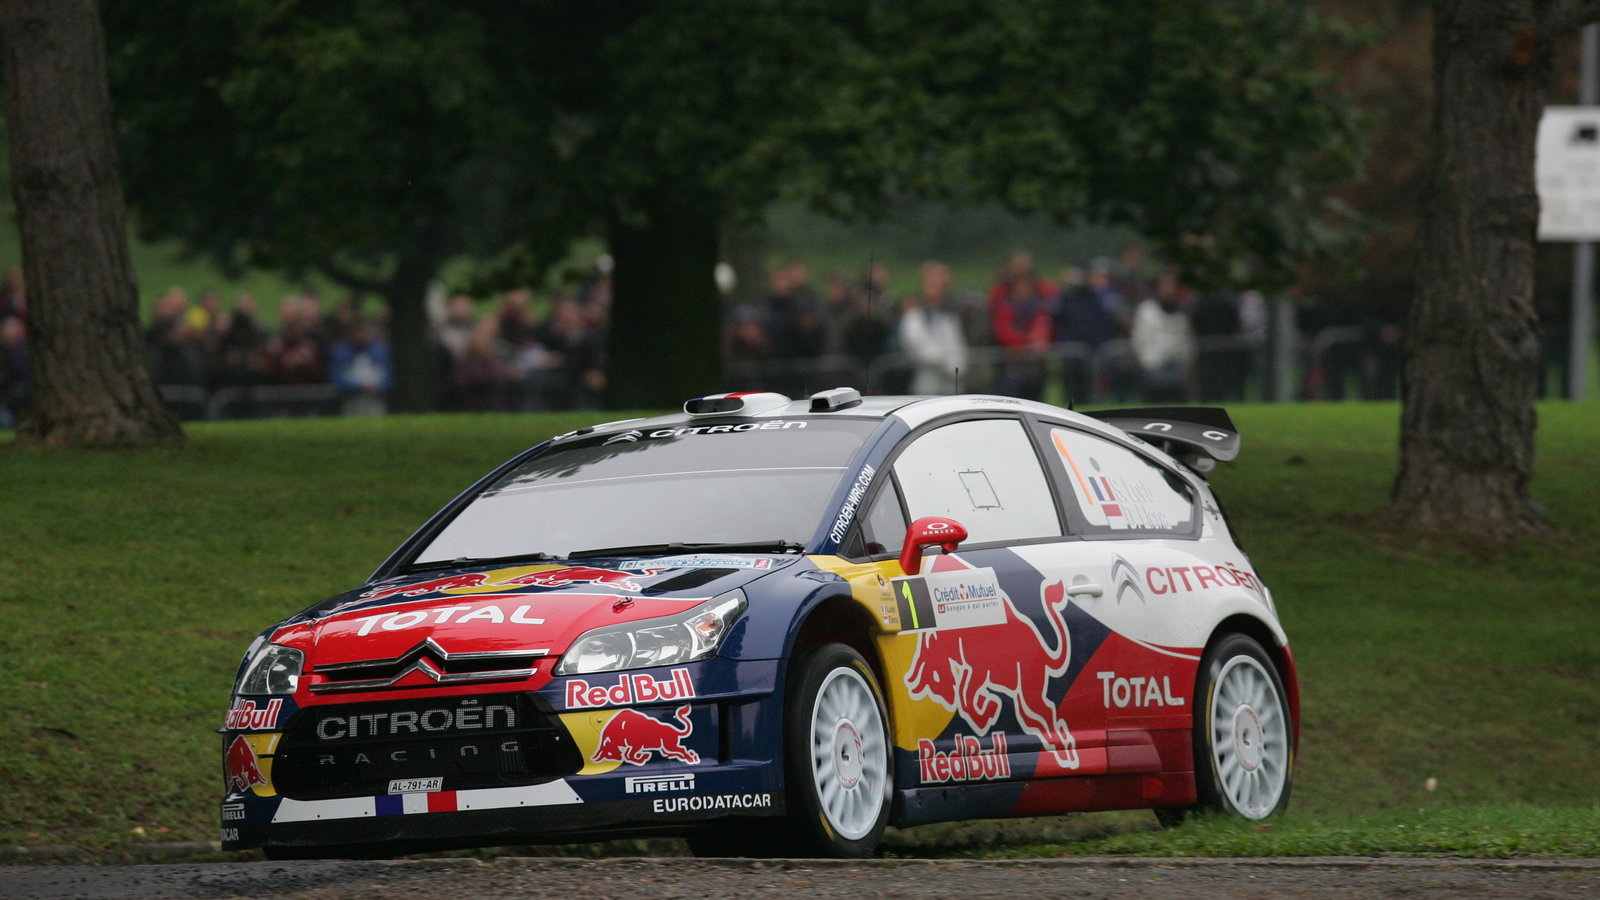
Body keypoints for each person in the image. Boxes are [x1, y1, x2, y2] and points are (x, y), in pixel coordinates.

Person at [988, 253, 1054, 400]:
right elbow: (1002, 329)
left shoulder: (1041, 294)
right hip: (1010, 359)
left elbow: (1046, 319)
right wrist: (1025, 341)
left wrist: (1038, 339)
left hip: (1035, 360)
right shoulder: (1001, 295)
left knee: (1036, 399)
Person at [898, 261, 968, 395]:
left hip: (952, 386)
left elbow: (958, 346)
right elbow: (916, 347)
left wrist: (957, 369)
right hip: (925, 386)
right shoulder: (913, 316)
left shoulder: (949, 317)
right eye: (934, 283)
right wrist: (945, 366)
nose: (939, 287)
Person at [1130, 270, 1195, 402]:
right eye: (1165, 285)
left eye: (1172, 285)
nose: (1169, 290)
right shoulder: (1146, 312)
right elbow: (1139, 341)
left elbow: (1185, 344)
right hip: (1153, 368)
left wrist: (1186, 364)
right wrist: (1149, 363)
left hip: (1176, 369)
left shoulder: (1180, 315)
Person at [328, 320, 392, 416]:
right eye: (358, 332)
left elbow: (389, 375)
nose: (362, 336)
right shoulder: (340, 352)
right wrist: (360, 386)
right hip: (351, 399)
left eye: (365, 332)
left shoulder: (381, 350)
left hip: (376, 398)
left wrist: (378, 385)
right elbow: (336, 378)